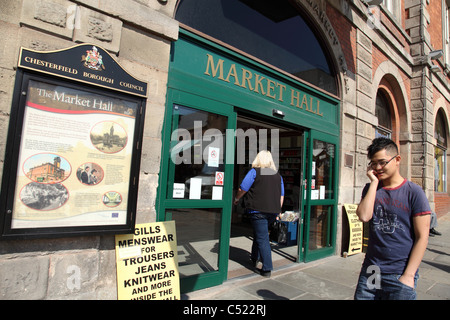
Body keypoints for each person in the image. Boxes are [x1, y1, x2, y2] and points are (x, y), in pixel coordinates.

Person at [354, 137, 431, 300]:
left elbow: (422, 236)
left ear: (397, 160)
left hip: (400, 271)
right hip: (372, 269)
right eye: (373, 164)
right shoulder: (371, 188)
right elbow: (363, 216)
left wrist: (409, 275)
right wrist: (374, 183)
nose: (378, 168)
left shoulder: (414, 192)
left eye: (382, 162)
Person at [233, 150, 284, 278]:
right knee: (259, 234)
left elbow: (242, 188)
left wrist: (237, 198)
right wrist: (278, 209)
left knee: (262, 238)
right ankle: (254, 257)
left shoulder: (254, 172)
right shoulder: (277, 175)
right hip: (272, 211)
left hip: (257, 210)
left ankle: (267, 268)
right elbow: (281, 195)